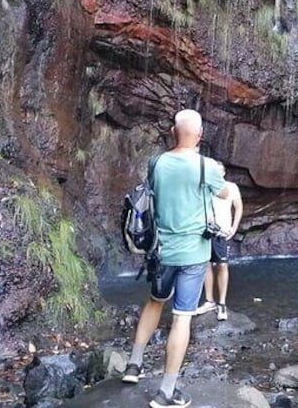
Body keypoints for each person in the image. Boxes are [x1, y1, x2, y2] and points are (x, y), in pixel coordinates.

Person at [121, 109, 229, 408]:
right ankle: (166, 392)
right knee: (182, 317)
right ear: (201, 135)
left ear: (172, 131)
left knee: (155, 301)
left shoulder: (157, 162)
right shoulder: (207, 167)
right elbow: (222, 195)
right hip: (194, 253)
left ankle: (133, 364)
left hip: (161, 250)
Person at [195, 162, 243, 321]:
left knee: (222, 265)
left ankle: (222, 303)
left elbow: (238, 207)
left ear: (223, 173)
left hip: (221, 232)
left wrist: (234, 227)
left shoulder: (231, 187)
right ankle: (209, 300)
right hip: (205, 231)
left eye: (218, 171)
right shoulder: (205, 187)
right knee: (205, 265)